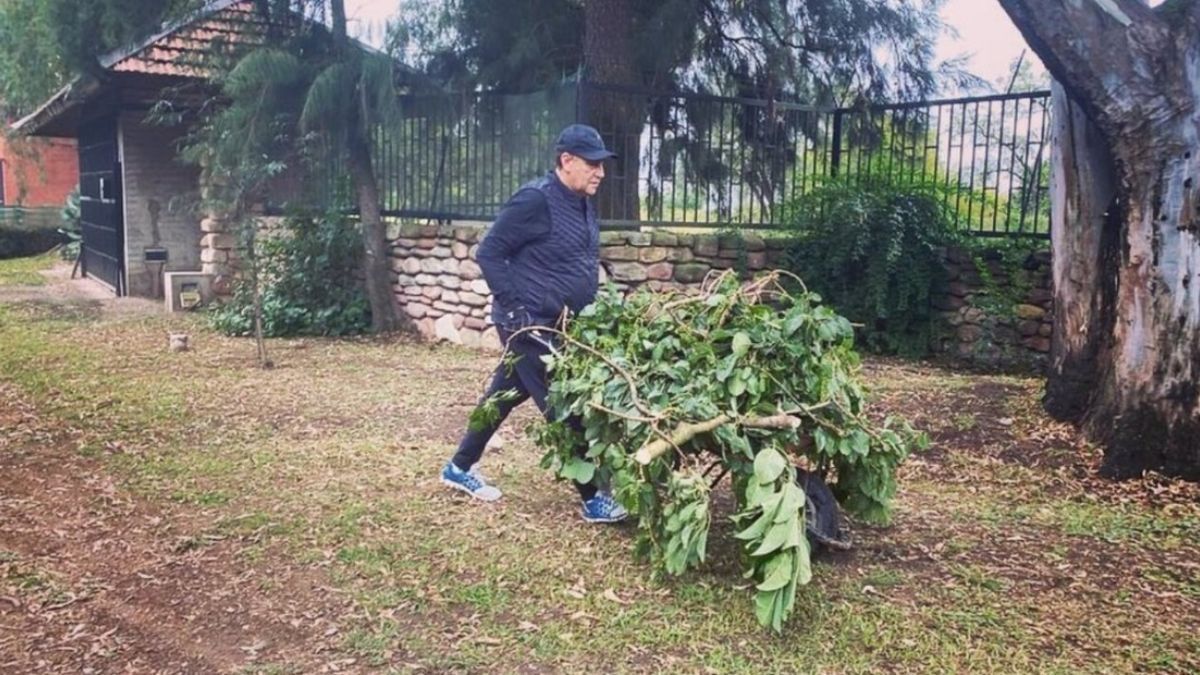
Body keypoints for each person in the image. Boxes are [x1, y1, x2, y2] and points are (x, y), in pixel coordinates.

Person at [440, 124, 628, 524]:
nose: (601, 172)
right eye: (593, 164)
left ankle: (459, 467)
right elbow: (489, 252)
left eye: (602, 164)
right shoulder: (535, 200)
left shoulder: (581, 200)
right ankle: (594, 498)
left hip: (561, 323)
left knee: (505, 393)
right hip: (529, 322)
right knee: (563, 403)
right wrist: (514, 309)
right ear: (567, 161)